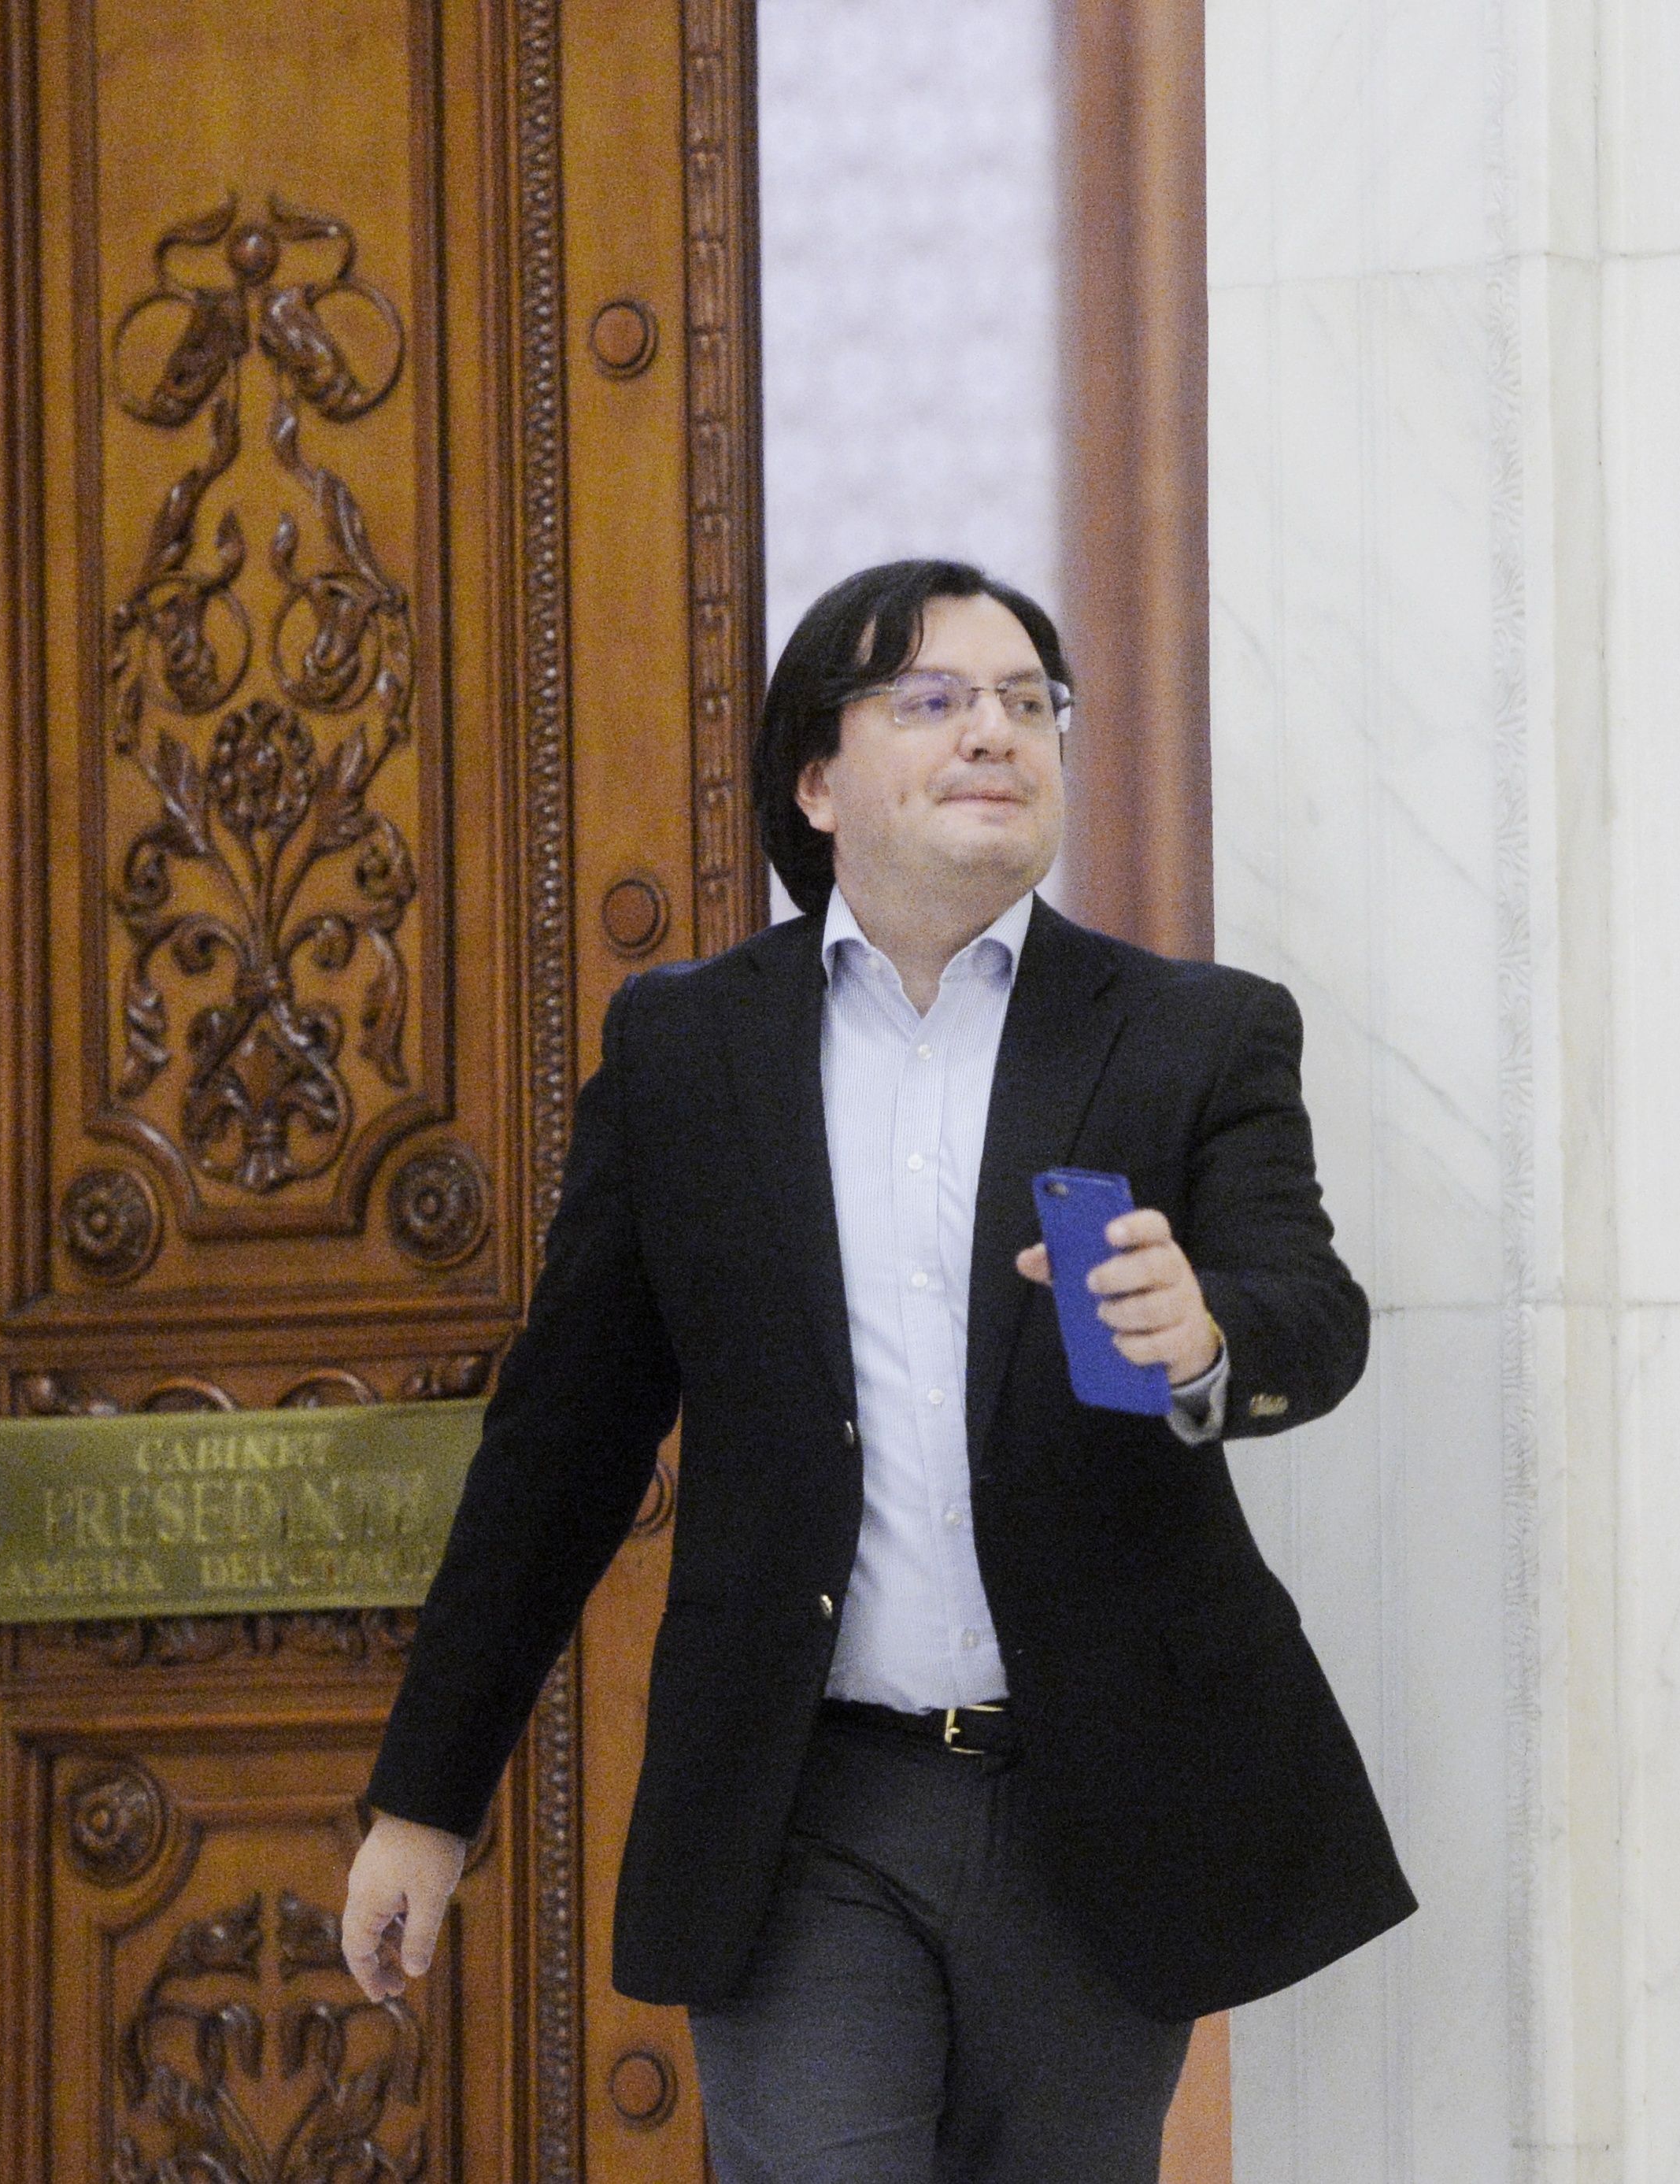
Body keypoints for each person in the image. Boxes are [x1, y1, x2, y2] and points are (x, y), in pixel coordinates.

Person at [342, 558, 1412, 2182]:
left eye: (1027, 700)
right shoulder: (688, 1053)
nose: (994, 730)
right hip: (803, 1803)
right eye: (933, 698)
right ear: (818, 778)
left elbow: (1311, 1311)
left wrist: (1204, 1336)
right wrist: (426, 1798)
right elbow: (561, 1449)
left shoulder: (1193, 1033)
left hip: (1095, 1800)